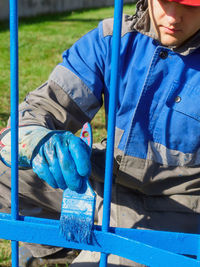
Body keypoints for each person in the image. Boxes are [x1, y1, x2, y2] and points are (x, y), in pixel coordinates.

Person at [1, 0, 200, 266]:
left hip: (173, 213)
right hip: (102, 184)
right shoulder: (113, 39)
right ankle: (62, 250)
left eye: (191, 6)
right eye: (166, 1)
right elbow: (42, 107)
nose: (173, 17)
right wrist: (36, 141)